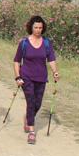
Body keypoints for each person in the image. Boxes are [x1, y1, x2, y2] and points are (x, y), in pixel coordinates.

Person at [13, 15, 60, 145]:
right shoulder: (24, 43)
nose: (38, 30)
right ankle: (32, 132)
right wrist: (18, 76)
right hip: (26, 76)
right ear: (31, 28)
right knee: (31, 101)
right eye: (36, 27)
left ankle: (28, 118)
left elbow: (51, 59)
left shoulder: (46, 43)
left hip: (41, 77)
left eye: (40, 27)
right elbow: (17, 61)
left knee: (38, 103)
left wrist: (55, 72)